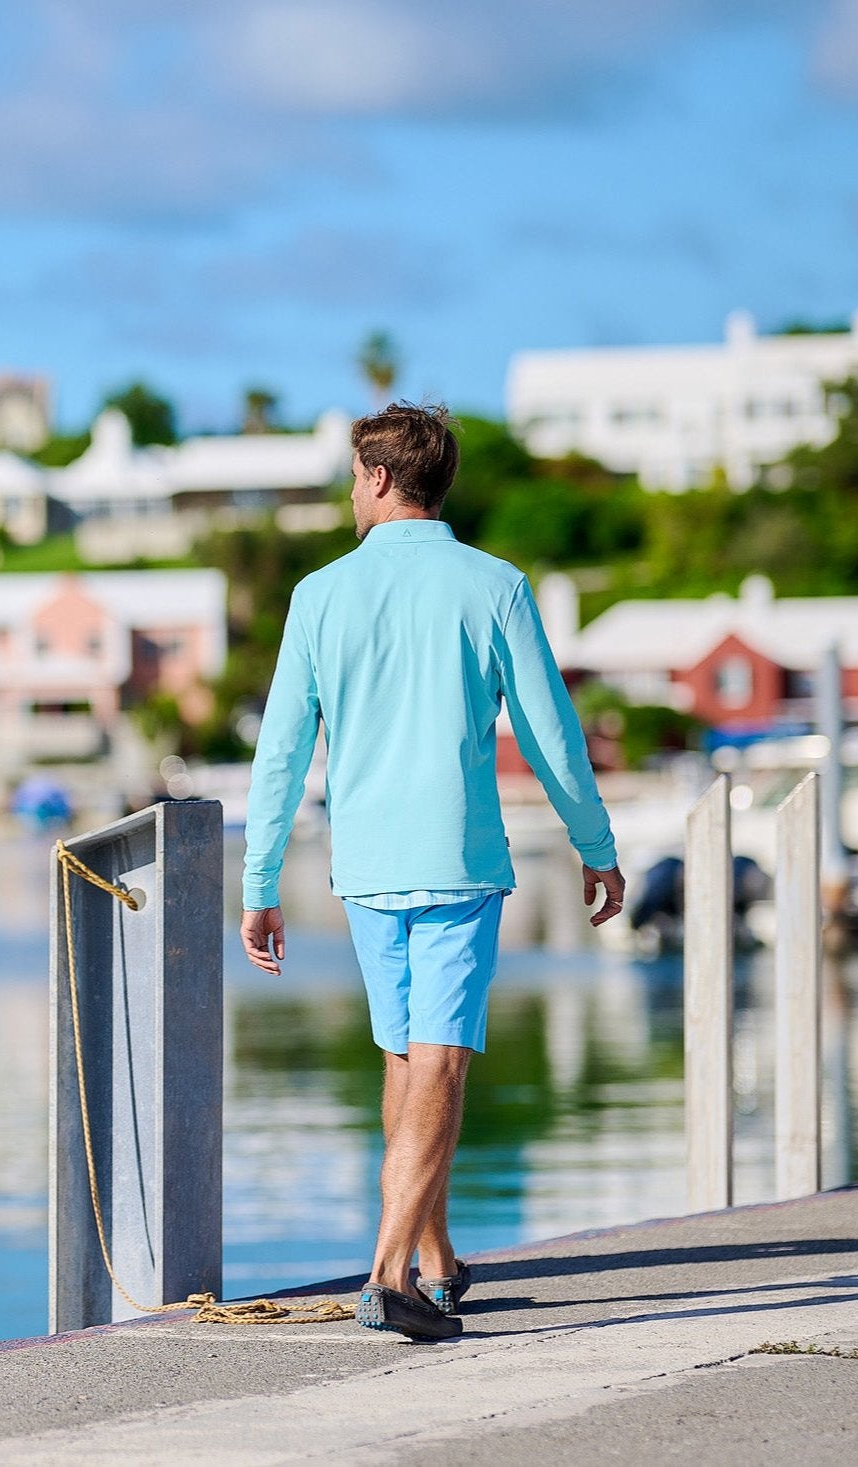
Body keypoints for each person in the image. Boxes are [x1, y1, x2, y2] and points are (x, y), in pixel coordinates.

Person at [240, 401, 625, 1342]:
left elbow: (281, 752)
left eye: (352, 478)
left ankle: (436, 1259)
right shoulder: (494, 585)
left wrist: (259, 882)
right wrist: (596, 844)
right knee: (441, 1059)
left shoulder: (319, 594)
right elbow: (550, 733)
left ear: (379, 478)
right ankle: (389, 1276)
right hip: (456, 859)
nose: (350, 494)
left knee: (410, 1058)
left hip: (367, 867)